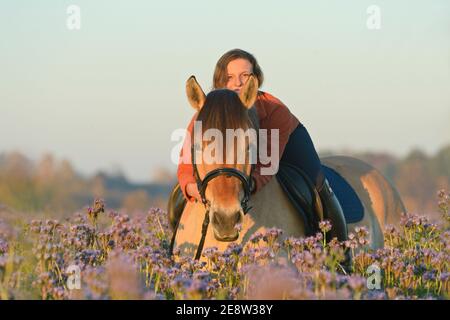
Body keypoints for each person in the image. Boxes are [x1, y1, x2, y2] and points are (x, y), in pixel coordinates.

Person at [175, 49, 347, 243]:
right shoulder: (205, 115)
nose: (238, 83)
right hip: (243, 156)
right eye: (230, 77)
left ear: (254, 80)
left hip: (288, 143)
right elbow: (186, 166)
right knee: (176, 196)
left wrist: (249, 185)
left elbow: (267, 163)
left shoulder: (276, 110)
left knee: (317, 185)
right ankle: (170, 248)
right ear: (220, 80)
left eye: (245, 76)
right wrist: (193, 189)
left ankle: (341, 255)